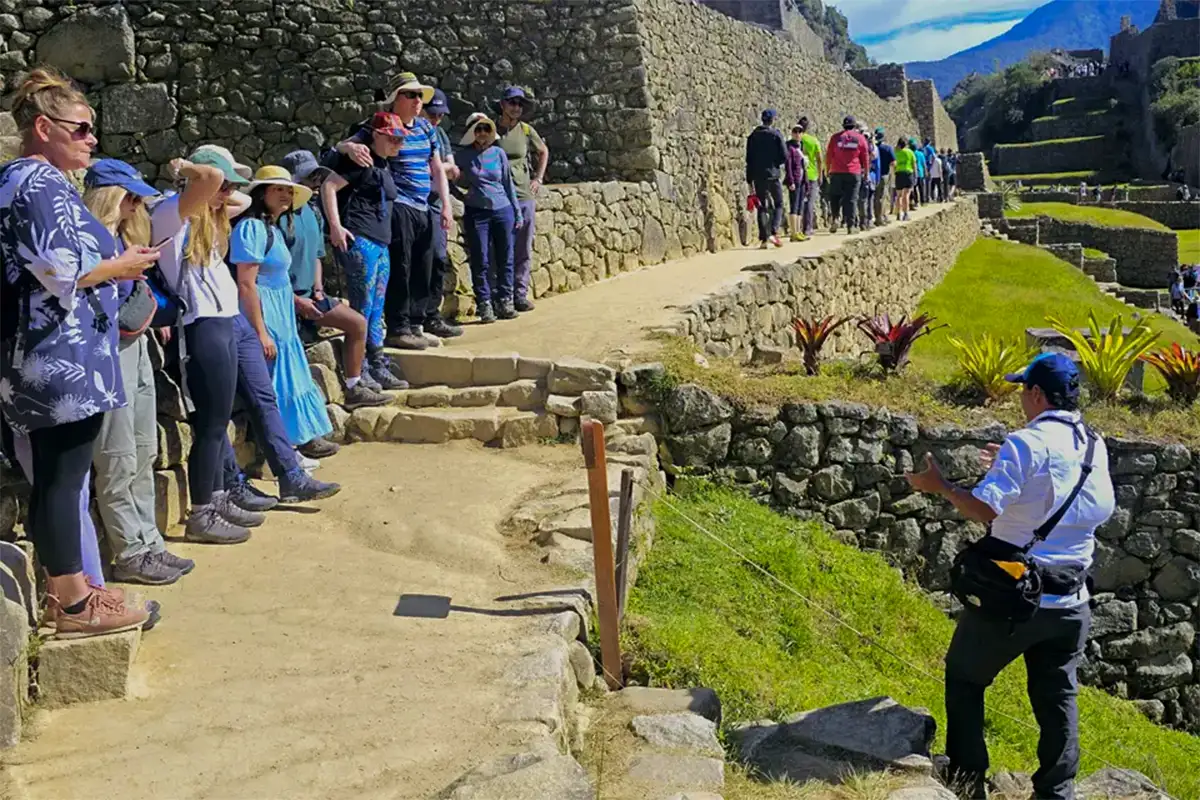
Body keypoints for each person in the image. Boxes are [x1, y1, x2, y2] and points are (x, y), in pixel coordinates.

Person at [905, 354, 1113, 800]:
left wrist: (941, 487)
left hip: (1014, 598)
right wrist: (1009, 466)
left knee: (965, 677)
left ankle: (968, 781)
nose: (1020, 398)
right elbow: (1073, 499)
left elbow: (985, 509)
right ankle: (1056, 791)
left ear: (1036, 394)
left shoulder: (1025, 443)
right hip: (1072, 600)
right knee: (1058, 695)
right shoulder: (1094, 445)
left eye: (1023, 389)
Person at [0, 67, 155, 635]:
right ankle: (71, 604)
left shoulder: (35, 182)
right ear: (44, 128)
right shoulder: (35, 182)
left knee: (60, 476)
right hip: (55, 357)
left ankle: (75, 588)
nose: (93, 140)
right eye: (82, 129)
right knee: (61, 478)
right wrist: (122, 265)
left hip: (56, 354)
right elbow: (59, 270)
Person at [82, 159, 198, 585]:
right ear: (109, 197)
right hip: (105, 354)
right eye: (129, 197)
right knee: (117, 455)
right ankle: (130, 552)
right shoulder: (87, 241)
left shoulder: (121, 237)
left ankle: (150, 541)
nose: (136, 206)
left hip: (134, 346)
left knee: (144, 448)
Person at [151, 146, 257, 544]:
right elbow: (210, 180)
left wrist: (219, 182)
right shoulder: (170, 213)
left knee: (219, 420)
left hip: (221, 321)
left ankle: (217, 497)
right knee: (210, 424)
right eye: (222, 183)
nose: (227, 191)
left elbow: (245, 198)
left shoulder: (208, 215)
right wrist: (190, 169)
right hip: (200, 326)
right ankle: (201, 513)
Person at [335, 73, 454, 351]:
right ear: (395, 98)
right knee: (402, 267)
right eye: (410, 95)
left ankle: (416, 324)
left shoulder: (425, 128)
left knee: (424, 265)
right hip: (398, 205)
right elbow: (341, 146)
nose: (417, 100)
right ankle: (398, 328)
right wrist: (350, 147)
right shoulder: (382, 124)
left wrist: (446, 203)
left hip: (425, 205)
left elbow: (437, 167)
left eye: (419, 95)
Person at [231, 166, 336, 461]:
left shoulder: (271, 229)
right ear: (261, 193)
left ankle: (297, 440)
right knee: (275, 378)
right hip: (265, 312)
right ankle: (284, 449)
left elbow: (274, 279)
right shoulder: (251, 229)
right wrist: (260, 331)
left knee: (288, 374)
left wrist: (296, 302)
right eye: (278, 189)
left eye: (289, 190)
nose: (286, 195)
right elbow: (246, 284)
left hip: (281, 311)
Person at [280, 150, 397, 401]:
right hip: (284, 299)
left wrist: (318, 290)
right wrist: (296, 301)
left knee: (358, 322)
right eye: (308, 177)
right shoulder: (276, 218)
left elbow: (317, 256)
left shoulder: (314, 212)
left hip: (311, 296)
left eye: (318, 176)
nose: (315, 182)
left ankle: (355, 384)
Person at [320, 115, 413, 390]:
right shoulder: (359, 158)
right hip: (360, 239)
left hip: (380, 243)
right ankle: (358, 372)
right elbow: (328, 186)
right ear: (376, 136)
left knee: (375, 307)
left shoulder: (383, 162)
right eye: (393, 138)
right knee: (362, 307)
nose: (398, 144)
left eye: (401, 139)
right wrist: (335, 226)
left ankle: (377, 364)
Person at [455, 112, 525, 322]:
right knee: (481, 259)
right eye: (478, 129)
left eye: (486, 128)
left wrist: (517, 212)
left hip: (503, 209)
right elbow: (448, 176)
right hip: (477, 212)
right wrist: (462, 196)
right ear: (471, 132)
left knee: (506, 258)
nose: (483, 133)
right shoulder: (463, 156)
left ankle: (505, 300)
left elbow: (507, 183)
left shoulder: (498, 153)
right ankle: (484, 303)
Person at [495, 86, 549, 312]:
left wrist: (538, 178)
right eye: (512, 102)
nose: (516, 107)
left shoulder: (526, 130)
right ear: (502, 105)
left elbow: (543, 151)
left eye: (520, 104)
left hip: (524, 195)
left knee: (523, 249)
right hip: (500, 198)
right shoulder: (490, 129)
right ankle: (502, 295)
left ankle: (520, 293)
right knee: (501, 249)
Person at [421, 89, 467, 326]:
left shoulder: (440, 134)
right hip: (418, 203)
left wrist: (441, 169)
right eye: (433, 114)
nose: (437, 119)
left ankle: (432, 314)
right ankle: (418, 316)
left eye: (441, 115)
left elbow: (452, 169)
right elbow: (433, 169)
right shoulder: (413, 134)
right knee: (420, 260)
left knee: (438, 258)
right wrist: (442, 169)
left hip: (438, 204)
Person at [745, 109, 787, 249]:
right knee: (779, 203)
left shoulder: (753, 136)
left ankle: (764, 239)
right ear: (773, 120)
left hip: (758, 175)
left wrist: (749, 178)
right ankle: (773, 232)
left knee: (761, 206)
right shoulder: (776, 135)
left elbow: (749, 159)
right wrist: (775, 164)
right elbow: (784, 155)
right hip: (773, 174)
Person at [825, 115, 869, 235]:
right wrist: (866, 172)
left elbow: (829, 154)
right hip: (853, 172)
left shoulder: (835, 138)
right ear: (854, 126)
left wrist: (827, 169)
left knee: (835, 196)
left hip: (836, 171)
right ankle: (850, 226)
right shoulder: (860, 138)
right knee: (851, 199)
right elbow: (865, 156)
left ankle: (835, 218)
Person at [796, 117, 824, 237]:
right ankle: (807, 228)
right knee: (810, 202)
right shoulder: (813, 141)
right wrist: (821, 175)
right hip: (811, 174)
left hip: (798, 174)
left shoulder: (795, 140)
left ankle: (797, 228)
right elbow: (819, 159)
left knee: (799, 201)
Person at [784, 125, 809, 242]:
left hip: (802, 179)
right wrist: (791, 181)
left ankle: (798, 231)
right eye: (795, 132)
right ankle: (793, 232)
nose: (797, 134)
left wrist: (806, 182)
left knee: (800, 206)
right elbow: (788, 165)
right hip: (795, 179)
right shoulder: (790, 148)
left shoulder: (800, 147)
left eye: (800, 132)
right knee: (794, 205)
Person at [857, 127, 878, 231]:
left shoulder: (856, 144)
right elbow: (874, 157)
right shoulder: (868, 147)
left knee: (858, 199)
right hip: (865, 174)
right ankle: (865, 221)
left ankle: (858, 221)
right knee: (866, 199)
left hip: (856, 173)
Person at [873, 128, 894, 227]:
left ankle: (878, 216)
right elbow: (893, 162)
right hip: (884, 175)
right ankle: (880, 218)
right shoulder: (887, 148)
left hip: (873, 175)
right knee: (882, 197)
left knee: (875, 197)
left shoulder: (872, 148)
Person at [893, 138, 915, 221]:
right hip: (908, 173)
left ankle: (898, 214)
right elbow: (914, 164)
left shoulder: (896, 152)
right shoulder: (910, 152)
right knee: (906, 195)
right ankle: (905, 214)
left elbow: (894, 163)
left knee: (898, 195)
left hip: (898, 174)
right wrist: (915, 175)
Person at [911, 138, 927, 207]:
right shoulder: (921, 154)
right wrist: (926, 172)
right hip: (920, 173)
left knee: (914, 189)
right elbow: (924, 164)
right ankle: (923, 201)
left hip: (913, 174)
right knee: (921, 188)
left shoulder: (910, 153)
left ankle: (916, 202)